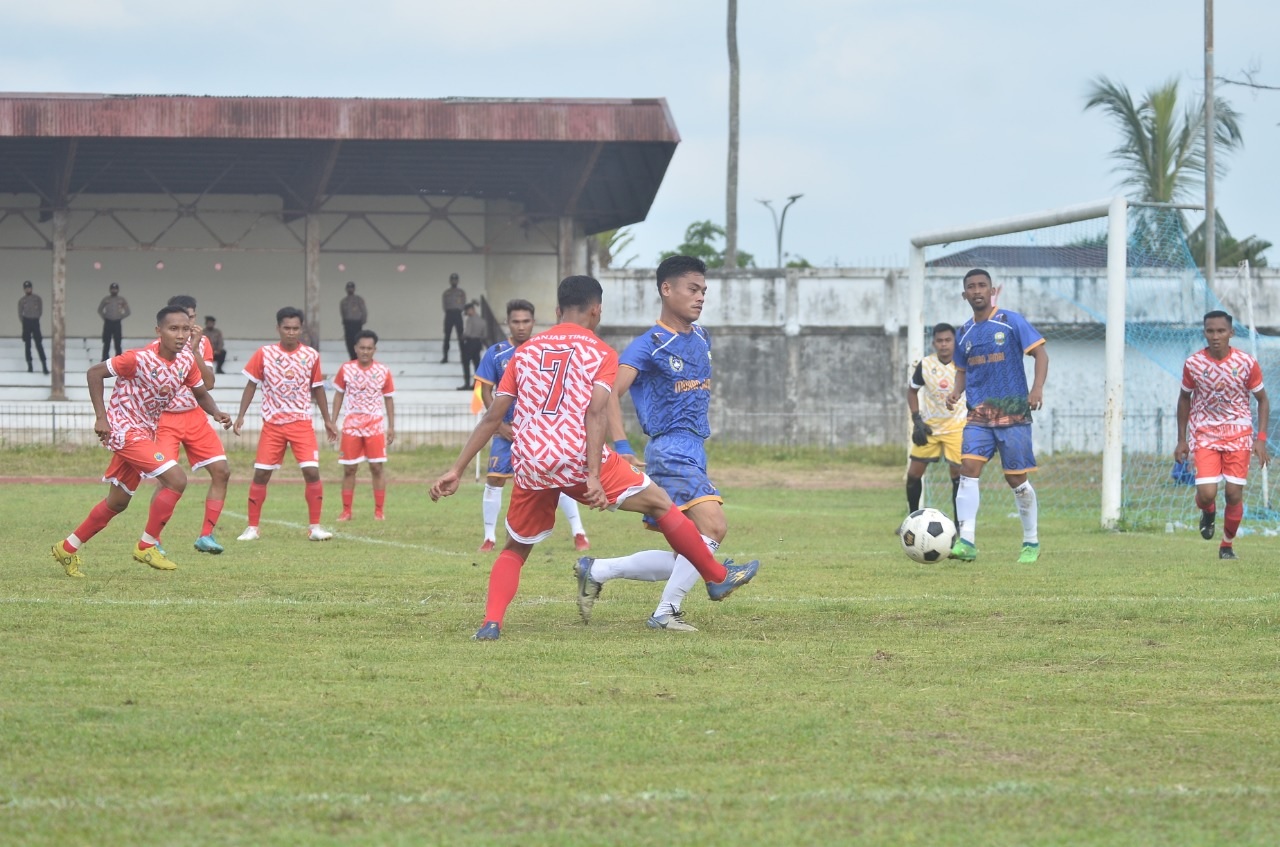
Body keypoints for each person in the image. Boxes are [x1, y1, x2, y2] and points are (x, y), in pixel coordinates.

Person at [429, 274, 760, 641]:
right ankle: (715, 576)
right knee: (661, 504)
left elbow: (493, 416)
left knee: (517, 547)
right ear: (596, 310)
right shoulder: (600, 352)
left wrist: (456, 470)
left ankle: (491, 624)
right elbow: (596, 413)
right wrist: (592, 476)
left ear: (557, 310)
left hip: (532, 461)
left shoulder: (524, 352)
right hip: (577, 456)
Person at [574, 255, 738, 632]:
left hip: (694, 447)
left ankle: (597, 569)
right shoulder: (648, 345)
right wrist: (620, 445)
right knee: (714, 528)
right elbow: (610, 394)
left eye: (703, 291)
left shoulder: (701, 337)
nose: (700, 297)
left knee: (689, 549)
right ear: (667, 289)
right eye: (692, 289)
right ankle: (666, 612)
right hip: (669, 449)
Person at [50, 305, 232, 578]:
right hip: (124, 431)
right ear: (158, 331)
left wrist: (216, 412)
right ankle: (147, 544)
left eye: (185, 329)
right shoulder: (137, 358)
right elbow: (94, 373)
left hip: (146, 432)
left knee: (118, 502)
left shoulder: (185, 361)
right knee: (177, 479)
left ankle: (67, 548)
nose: (180, 335)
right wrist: (102, 418)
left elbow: (200, 392)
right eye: (173, 329)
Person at [945, 268, 1049, 564]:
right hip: (978, 414)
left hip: (1013, 412)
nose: (977, 291)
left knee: (1016, 478)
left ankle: (1031, 541)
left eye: (982, 286)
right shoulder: (963, 333)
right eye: (971, 287)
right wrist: (956, 392)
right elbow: (963, 371)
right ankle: (966, 541)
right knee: (968, 469)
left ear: (992, 290)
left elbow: (1041, 354)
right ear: (964, 294)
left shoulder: (1010, 322)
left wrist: (1037, 388)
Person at [472, 298, 590, 554]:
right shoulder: (496, 353)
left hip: (542, 432)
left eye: (526, 321)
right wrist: (501, 426)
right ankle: (489, 537)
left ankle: (579, 532)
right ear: (508, 322)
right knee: (494, 479)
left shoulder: (546, 348)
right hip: (507, 430)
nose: (521, 326)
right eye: (516, 321)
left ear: (534, 322)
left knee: (560, 477)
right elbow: (485, 390)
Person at [233, 307, 338, 541]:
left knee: (312, 472)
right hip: (272, 425)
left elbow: (317, 388)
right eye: (286, 328)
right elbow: (251, 385)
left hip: (301, 423)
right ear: (278, 328)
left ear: (302, 329)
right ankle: (252, 528)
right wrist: (241, 415)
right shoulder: (264, 353)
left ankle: (315, 528)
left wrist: (328, 419)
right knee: (261, 475)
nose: (291, 332)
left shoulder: (311, 355)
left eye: (295, 328)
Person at [1173, 310, 1270, 560]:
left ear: (1231, 333)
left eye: (1220, 331)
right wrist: (1181, 439)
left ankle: (1226, 545)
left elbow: (1262, 400)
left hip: (1238, 433)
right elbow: (1184, 398)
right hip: (1205, 432)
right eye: (1210, 331)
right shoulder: (1194, 364)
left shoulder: (1246, 363)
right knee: (1207, 493)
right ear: (1204, 333)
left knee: (1233, 494)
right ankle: (1208, 512)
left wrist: (1260, 439)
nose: (1215, 336)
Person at [149, 295, 233, 554]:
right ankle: (152, 539)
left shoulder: (202, 343)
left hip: (195, 415)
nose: (187, 328)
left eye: (192, 320)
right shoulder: (154, 348)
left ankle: (206, 536)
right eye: (180, 323)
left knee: (222, 471)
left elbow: (207, 383)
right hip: (165, 419)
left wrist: (194, 350)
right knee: (167, 480)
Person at [334, 330, 396, 522]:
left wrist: (391, 426)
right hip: (351, 425)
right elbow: (338, 395)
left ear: (374, 350)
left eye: (369, 348)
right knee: (349, 469)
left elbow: (388, 399)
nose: (365, 351)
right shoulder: (346, 369)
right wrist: (332, 421)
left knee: (376, 468)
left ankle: (379, 511)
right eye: (362, 348)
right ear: (355, 348)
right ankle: (346, 511)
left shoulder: (383, 371)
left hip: (375, 425)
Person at [905, 323, 966, 518]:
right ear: (933, 343)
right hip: (930, 427)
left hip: (957, 427)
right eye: (939, 341)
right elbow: (912, 391)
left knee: (958, 476)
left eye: (948, 340)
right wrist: (917, 420)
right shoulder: (925, 365)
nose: (944, 345)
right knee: (913, 474)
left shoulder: (963, 364)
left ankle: (959, 525)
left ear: (954, 342)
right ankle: (912, 519)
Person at [19, 280, 48, 375]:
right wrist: (24, 322)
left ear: (31, 288)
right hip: (26, 322)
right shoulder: (22, 300)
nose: (28, 289)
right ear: (24, 289)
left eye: (29, 288)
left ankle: (44, 365)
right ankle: (30, 365)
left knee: (39, 343)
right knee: (27, 344)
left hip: (35, 321)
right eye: (26, 288)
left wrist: (35, 317)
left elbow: (40, 310)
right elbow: (20, 313)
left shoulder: (37, 298)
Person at [98, 282, 131, 361]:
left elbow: (128, 311)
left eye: (115, 289)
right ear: (110, 290)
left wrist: (120, 317)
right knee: (107, 341)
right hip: (108, 322)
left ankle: (119, 359)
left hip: (117, 323)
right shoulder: (106, 299)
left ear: (118, 290)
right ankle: (105, 359)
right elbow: (100, 309)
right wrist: (105, 317)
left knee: (118, 342)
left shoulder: (121, 300)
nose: (114, 290)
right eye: (112, 289)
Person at [459, 301, 486, 390]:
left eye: (467, 311)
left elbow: (467, 333)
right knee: (476, 364)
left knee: (466, 363)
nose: (466, 313)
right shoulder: (482, 321)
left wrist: (462, 337)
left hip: (470, 342)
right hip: (478, 343)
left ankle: (467, 384)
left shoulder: (470, 320)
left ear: (471, 310)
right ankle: (477, 384)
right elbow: (485, 334)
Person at [440, 272, 466, 363]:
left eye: (455, 279)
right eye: (452, 279)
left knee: (461, 336)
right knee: (447, 336)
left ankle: (464, 357)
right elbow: (444, 306)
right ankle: (445, 357)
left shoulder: (461, 292)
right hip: (449, 314)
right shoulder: (446, 293)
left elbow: (463, 304)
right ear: (450, 281)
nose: (454, 281)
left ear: (458, 281)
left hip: (458, 314)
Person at [339, 281, 368, 361]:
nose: (350, 290)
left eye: (351, 288)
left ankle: (357, 358)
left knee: (357, 341)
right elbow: (342, 313)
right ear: (346, 289)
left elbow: (364, 311)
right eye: (348, 288)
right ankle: (352, 358)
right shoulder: (343, 301)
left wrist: (363, 320)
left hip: (357, 324)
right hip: (348, 325)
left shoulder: (359, 299)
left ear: (354, 289)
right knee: (349, 342)